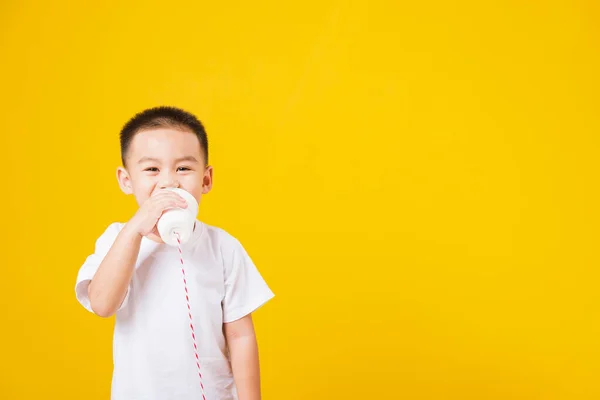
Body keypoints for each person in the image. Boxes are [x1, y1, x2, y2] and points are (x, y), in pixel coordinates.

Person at [75, 106, 274, 400]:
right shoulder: (117, 238)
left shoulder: (222, 247)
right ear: (126, 180)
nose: (169, 181)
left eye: (183, 168)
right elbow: (102, 304)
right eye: (152, 169)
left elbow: (240, 335)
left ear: (205, 180)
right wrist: (134, 231)